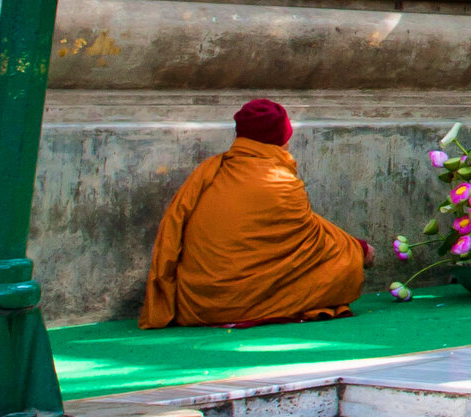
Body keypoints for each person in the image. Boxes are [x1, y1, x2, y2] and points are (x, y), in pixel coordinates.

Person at [142, 99, 367, 329]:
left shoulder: (208, 170)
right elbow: (314, 246)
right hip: (234, 302)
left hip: (197, 303)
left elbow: (307, 230)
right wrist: (357, 250)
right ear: (281, 140)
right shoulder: (282, 182)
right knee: (346, 267)